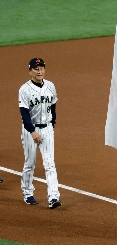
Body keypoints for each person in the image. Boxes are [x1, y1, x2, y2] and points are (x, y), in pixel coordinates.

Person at [18, 57, 61, 209]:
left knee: (50, 164)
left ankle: (53, 196)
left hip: (47, 128)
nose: (39, 71)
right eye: (36, 68)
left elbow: (53, 107)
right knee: (30, 163)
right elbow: (24, 113)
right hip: (30, 130)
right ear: (30, 71)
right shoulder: (24, 89)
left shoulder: (50, 86)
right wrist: (32, 131)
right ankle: (28, 192)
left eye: (41, 68)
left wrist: (52, 124)